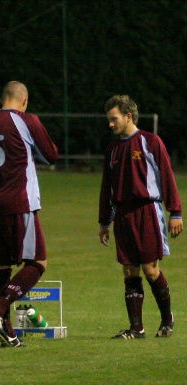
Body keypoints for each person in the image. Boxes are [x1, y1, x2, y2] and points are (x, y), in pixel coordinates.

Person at [0, 81, 58, 347]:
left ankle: (7, 334)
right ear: (24, 100)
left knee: (1, 268)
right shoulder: (26, 120)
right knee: (37, 262)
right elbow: (51, 155)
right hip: (18, 203)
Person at [99, 95, 181, 339]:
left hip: (148, 212)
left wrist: (175, 212)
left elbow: (166, 176)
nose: (110, 124)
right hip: (123, 215)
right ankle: (137, 328)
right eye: (109, 120)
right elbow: (107, 187)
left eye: (114, 119)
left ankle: (167, 319)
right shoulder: (113, 149)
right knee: (129, 271)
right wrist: (105, 221)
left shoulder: (150, 141)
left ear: (128, 116)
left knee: (150, 270)